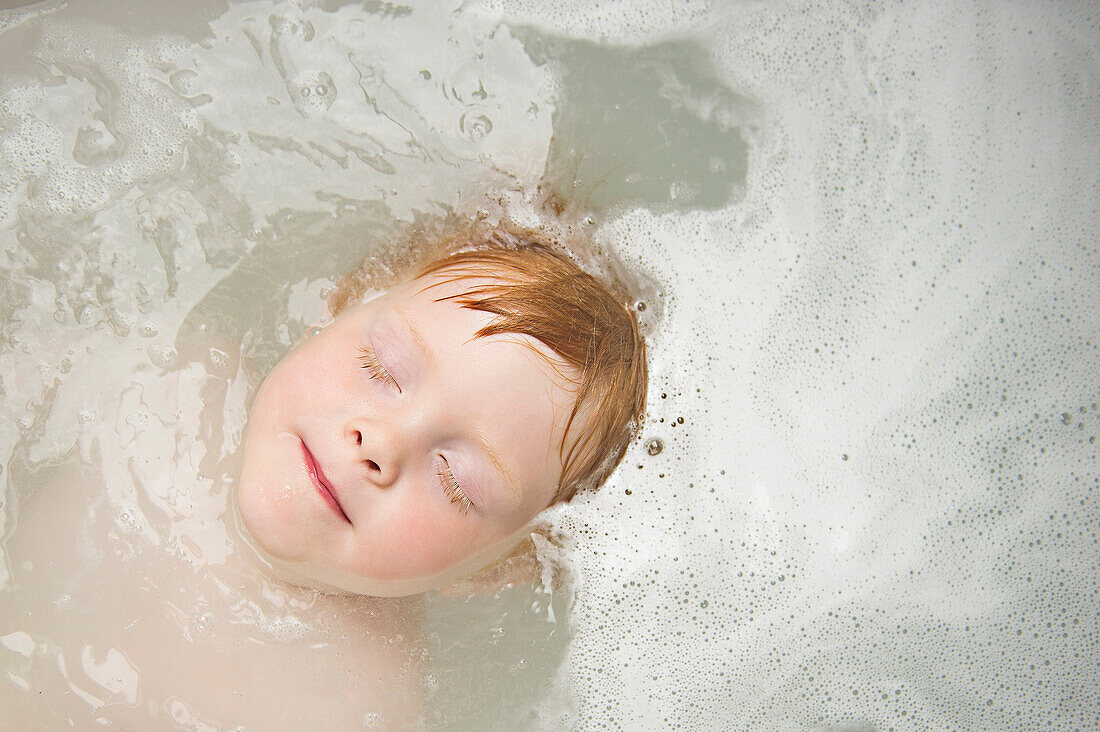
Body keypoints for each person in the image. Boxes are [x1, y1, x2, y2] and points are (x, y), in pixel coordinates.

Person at [235, 221, 648, 598]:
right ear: (338, 308)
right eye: (383, 366)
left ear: (494, 570)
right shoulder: (189, 366)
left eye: (454, 479)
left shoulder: (360, 680)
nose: (382, 441)